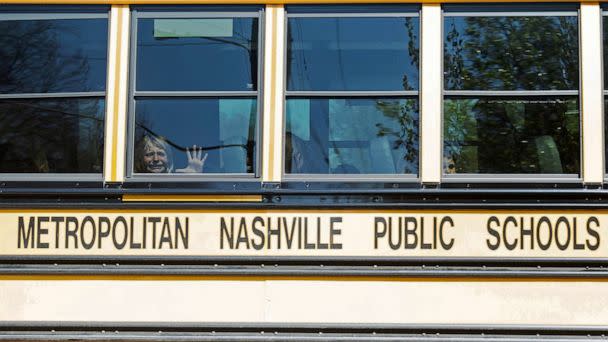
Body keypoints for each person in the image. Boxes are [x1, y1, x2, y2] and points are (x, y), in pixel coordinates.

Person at [135, 135, 207, 174]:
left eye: (160, 154)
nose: (156, 159)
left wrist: (195, 178)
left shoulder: (177, 183)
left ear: (168, 159)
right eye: (150, 154)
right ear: (141, 159)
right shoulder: (134, 186)